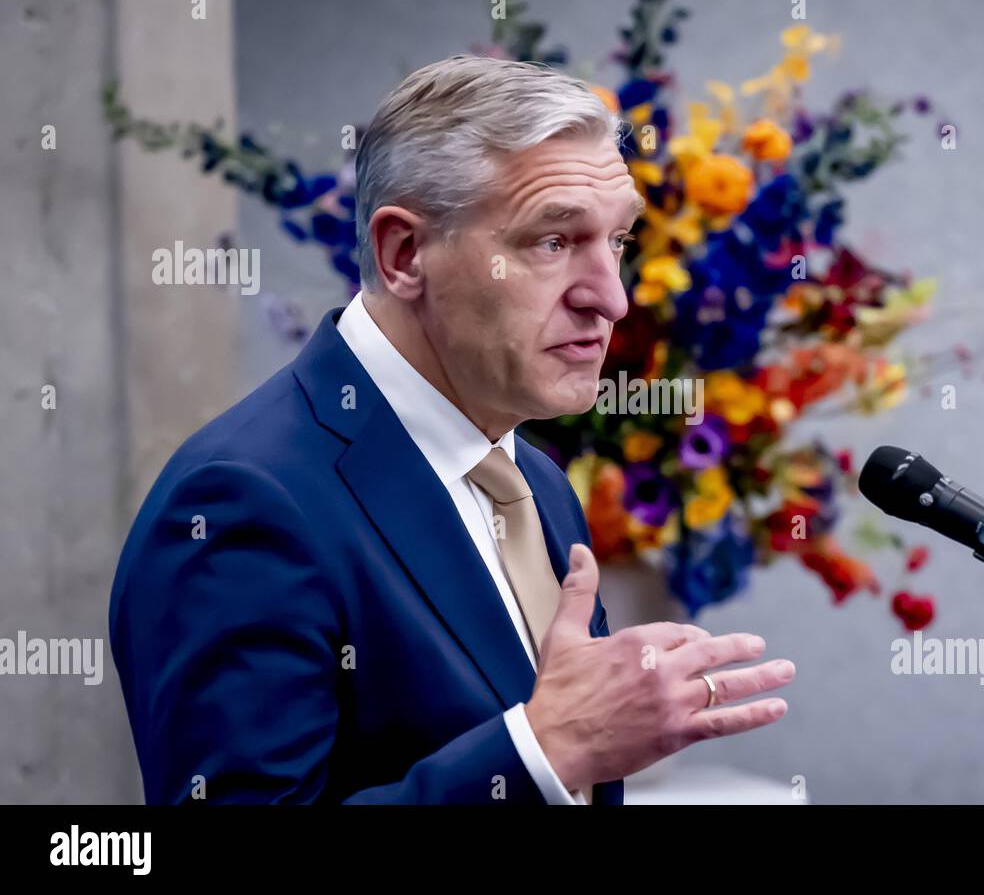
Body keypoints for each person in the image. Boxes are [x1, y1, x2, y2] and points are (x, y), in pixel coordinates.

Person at [109, 55, 796, 805]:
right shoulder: (243, 501)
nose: (612, 300)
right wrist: (547, 752)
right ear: (404, 255)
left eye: (620, 242)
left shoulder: (535, 480)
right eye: (553, 242)